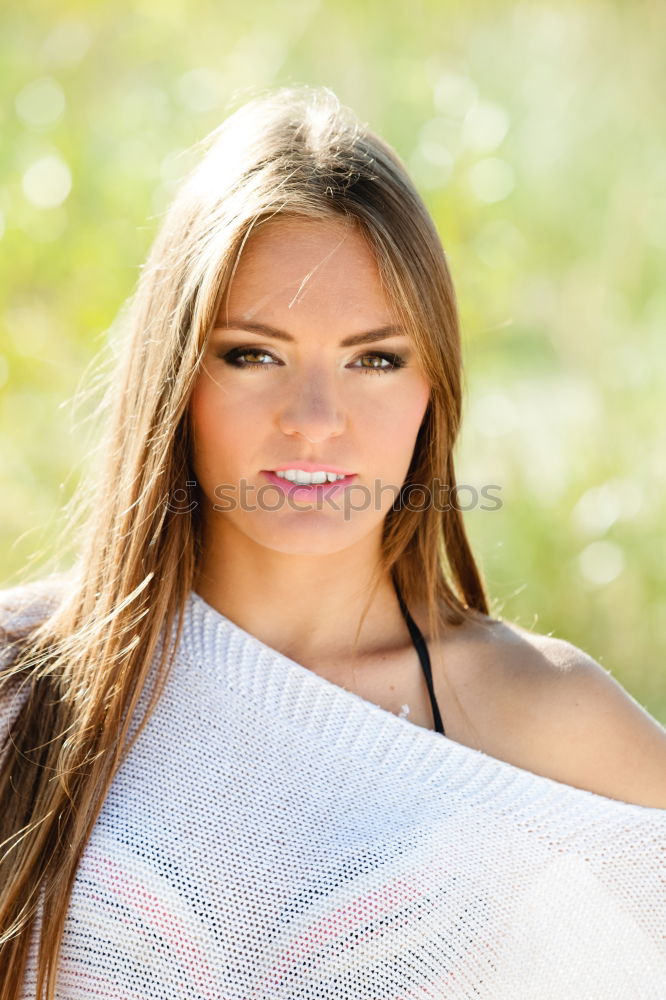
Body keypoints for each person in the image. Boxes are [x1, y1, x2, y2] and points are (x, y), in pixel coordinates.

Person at [1, 84, 664, 999]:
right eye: (253, 354)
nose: (315, 421)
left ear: (435, 390)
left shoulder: (541, 713)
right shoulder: (23, 676)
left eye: (375, 360)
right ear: (176, 378)